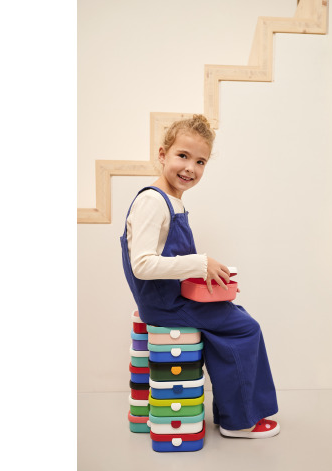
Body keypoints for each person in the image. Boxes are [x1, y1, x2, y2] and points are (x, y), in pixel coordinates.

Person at [120, 114, 279, 438]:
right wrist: (200, 264)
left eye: (200, 161)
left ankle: (233, 410)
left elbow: (173, 262)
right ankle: (239, 421)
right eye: (182, 156)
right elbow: (143, 265)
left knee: (235, 315)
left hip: (174, 298)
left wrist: (208, 279)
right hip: (165, 304)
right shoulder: (152, 201)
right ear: (163, 154)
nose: (190, 168)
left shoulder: (172, 201)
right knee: (245, 329)